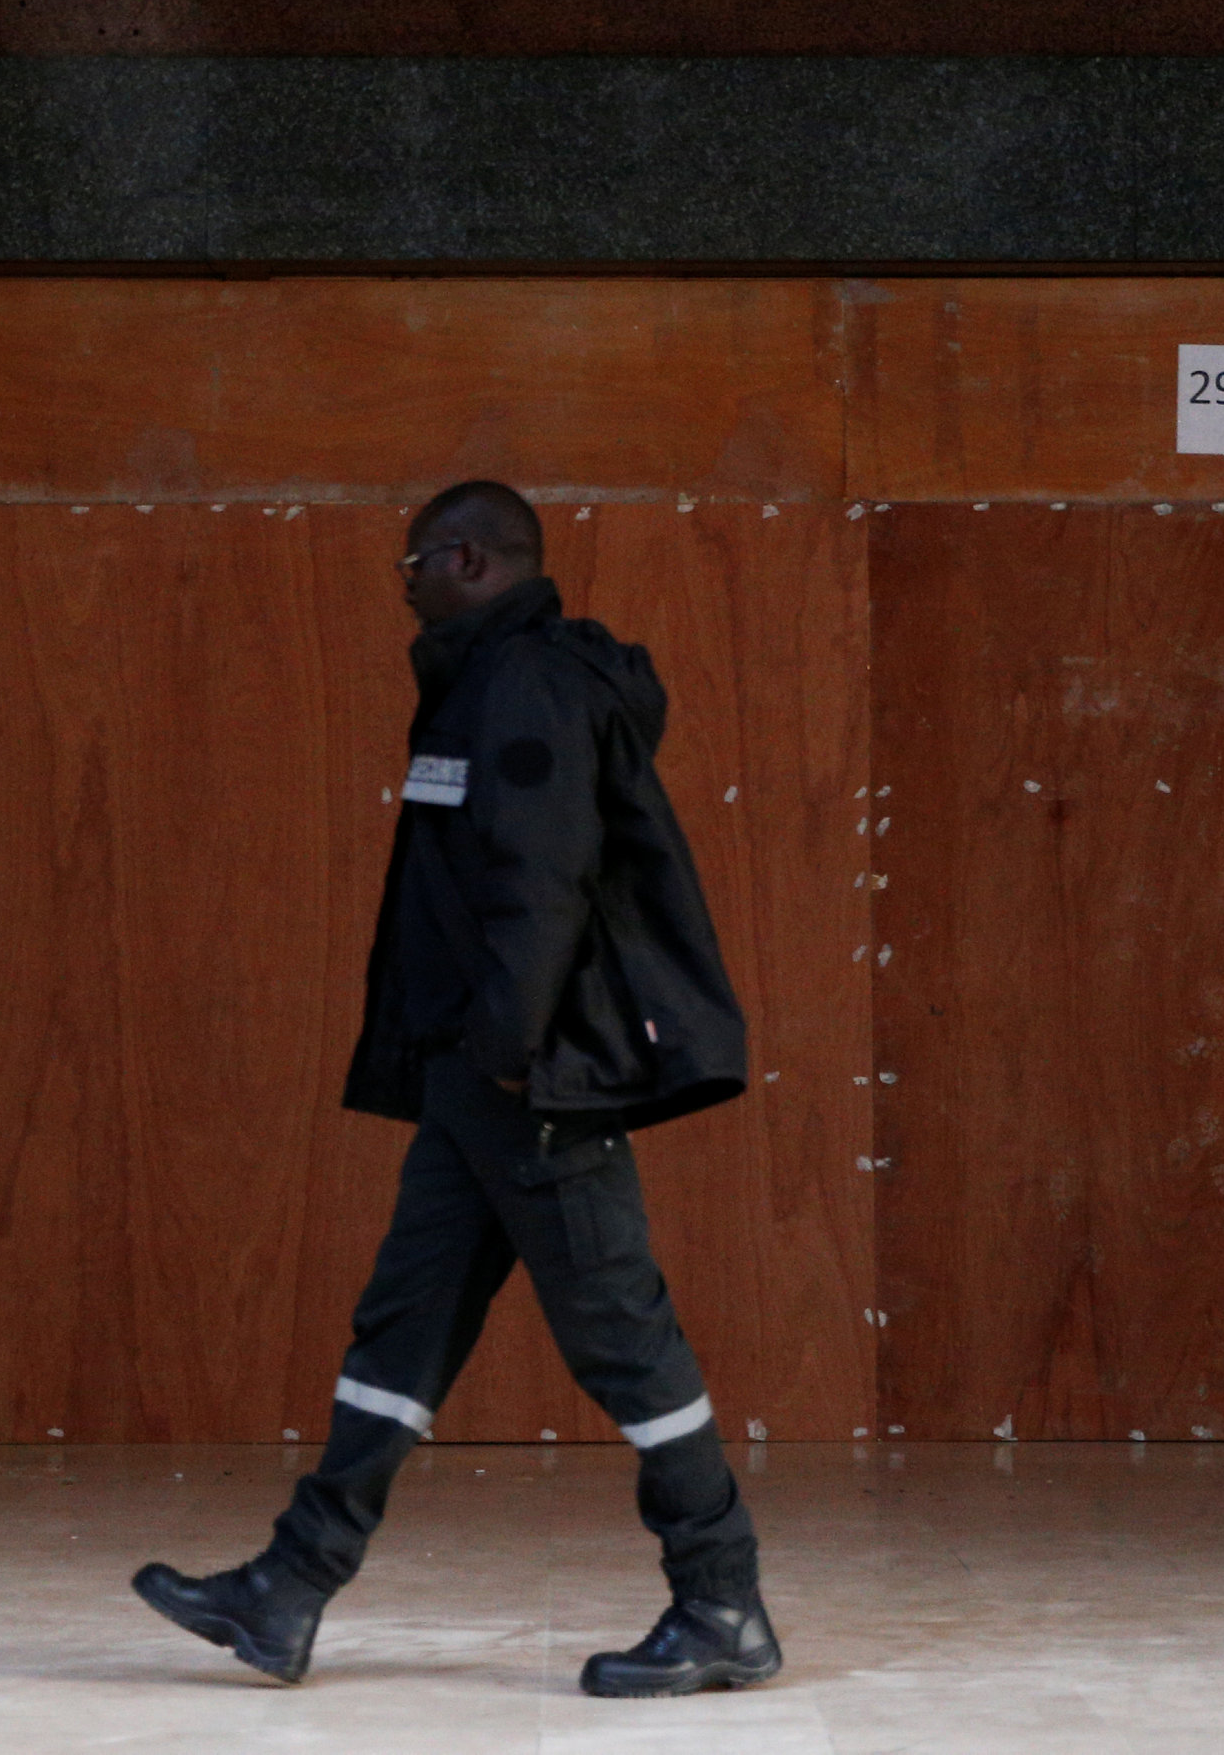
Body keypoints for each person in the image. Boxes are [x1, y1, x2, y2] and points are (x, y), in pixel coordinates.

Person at [133, 480, 782, 1698]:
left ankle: (721, 1599)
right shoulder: (481, 682)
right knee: (406, 1321)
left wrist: (504, 1046)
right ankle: (289, 1585)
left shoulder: (526, 684)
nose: (404, 585)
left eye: (411, 563)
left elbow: (538, 881)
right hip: (474, 1078)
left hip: (524, 1077)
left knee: (621, 1339)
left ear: (468, 558)